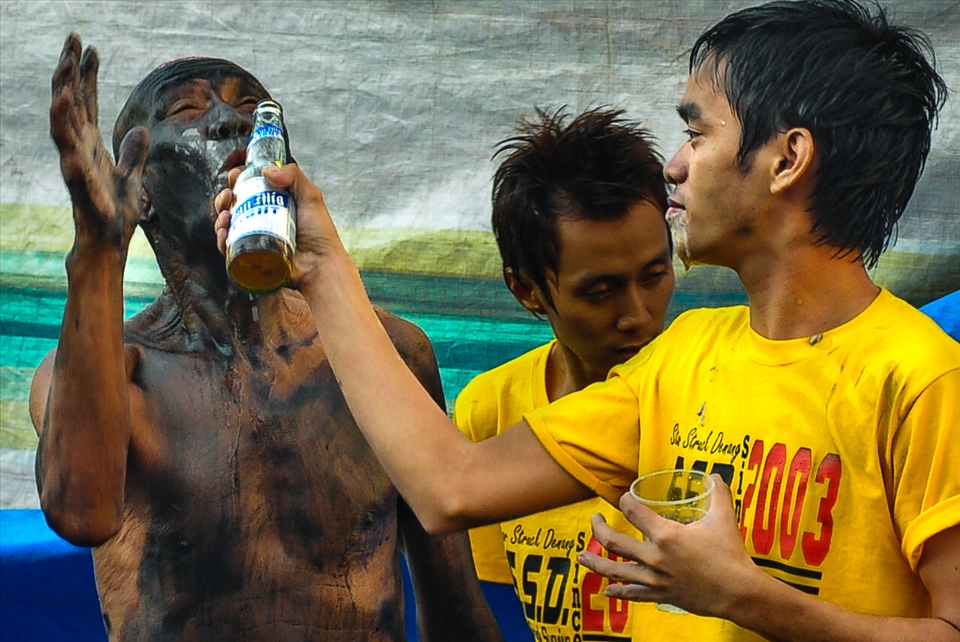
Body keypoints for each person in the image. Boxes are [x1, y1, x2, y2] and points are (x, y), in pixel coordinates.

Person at [215, 1, 960, 640]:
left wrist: (743, 596)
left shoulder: (922, 378)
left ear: (787, 158)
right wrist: (317, 266)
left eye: (699, 135)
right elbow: (449, 487)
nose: (675, 165)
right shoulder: (681, 360)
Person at [30, 33, 503, 642]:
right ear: (137, 189)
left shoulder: (387, 356)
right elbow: (81, 512)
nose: (232, 121)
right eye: (189, 113)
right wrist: (98, 251)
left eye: (254, 109)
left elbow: (456, 610)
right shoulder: (111, 376)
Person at [453, 107, 675, 642]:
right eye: (599, 292)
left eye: (655, 275)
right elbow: (498, 604)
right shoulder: (491, 411)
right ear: (526, 289)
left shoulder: (704, 395)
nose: (638, 314)